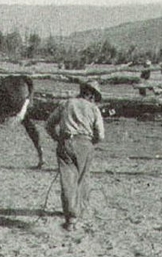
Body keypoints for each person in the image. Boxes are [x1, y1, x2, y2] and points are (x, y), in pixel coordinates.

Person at [45, 80, 105, 231]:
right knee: (83, 179)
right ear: (92, 96)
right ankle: (79, 211)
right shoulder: (94, 109)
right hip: (86, 144)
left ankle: (71, 217)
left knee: (68, 181)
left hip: (66, 142)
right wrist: (91, 143)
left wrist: (57, 138)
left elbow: (49, 124)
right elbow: (100, 135)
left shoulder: (66, 103)